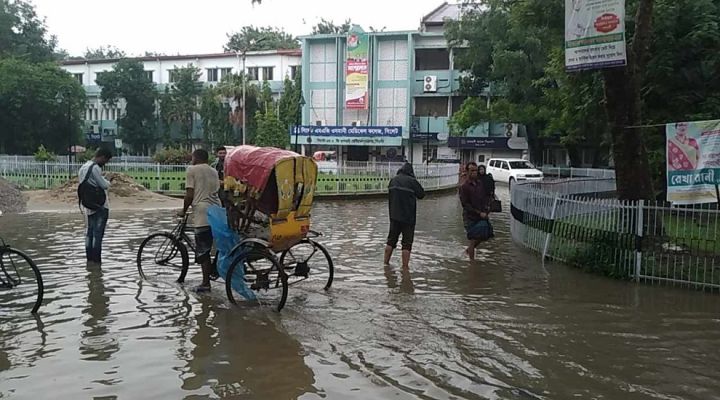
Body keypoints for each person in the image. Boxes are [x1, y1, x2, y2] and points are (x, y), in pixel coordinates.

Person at [180, 149, 221, 292]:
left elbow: (189, 194)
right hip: (217, 211)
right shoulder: (214, 171)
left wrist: (183, 210)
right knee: (216, 247)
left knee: (203, 249)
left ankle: (205, 283)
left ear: (195, 158)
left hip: (202, 212)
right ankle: (215, 270)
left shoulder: (192, 169)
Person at [383, 163, 425, 269]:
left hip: (394, 217)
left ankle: (385, 263)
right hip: (408, 218)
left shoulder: (393, 180)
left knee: (391, 241)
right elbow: (421, 195)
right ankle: (405, 268)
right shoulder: (412, 181)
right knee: (407, 244)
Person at [78, 148, 113, 264]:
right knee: (98, 235)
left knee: (89, 233)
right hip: (100, 205)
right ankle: (97, 262)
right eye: (106, 160)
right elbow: (104, 185)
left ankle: (90, 261)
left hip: (88, 204)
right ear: (102, 157)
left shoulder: (83, 167)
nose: (105, 163)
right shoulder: (95, 168)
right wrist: (108, 181)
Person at [459, 162, 493, 260]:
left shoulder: (480, 184)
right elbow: (465, 204)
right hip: (470, 216)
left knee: (484, 234)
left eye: (476, 170)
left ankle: (468, 251)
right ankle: (472, 264)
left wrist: (487, 208)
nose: (474, 172)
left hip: (481, 214)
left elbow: (484, 197)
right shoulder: (464, 186)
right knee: (473, 238)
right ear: (467, 172)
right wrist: (479, 213)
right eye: (472, 170)